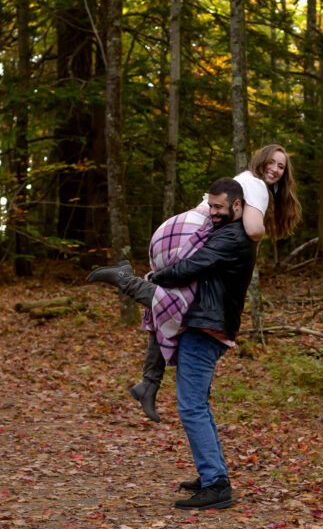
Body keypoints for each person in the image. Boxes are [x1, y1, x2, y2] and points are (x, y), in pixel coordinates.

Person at [87, 144, 300, 422]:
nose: (274, 169)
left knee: (169, 304)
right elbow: (253, 229)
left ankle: (149, 384)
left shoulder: (247, 181)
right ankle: (124, 278)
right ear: (260, 162)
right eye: (271, 162)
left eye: (281, 166)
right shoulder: (257, 185)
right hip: (192, 232)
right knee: (177, 302)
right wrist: (250, 248)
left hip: (176, 230)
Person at [91, 178, 257, 509]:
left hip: (205, 328)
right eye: (210, 206)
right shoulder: (223, 230)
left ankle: (216, 484)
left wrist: (158, 276)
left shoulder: (232, 236)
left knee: (192, 406)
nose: (213, 212)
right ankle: (213, 474)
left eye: (220, 207)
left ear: (237, 206)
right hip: (204, 323)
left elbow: (192, 266)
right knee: (198, 405)